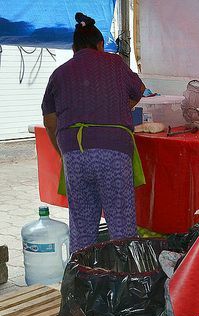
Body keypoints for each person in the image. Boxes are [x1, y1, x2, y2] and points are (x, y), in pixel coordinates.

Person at [42, 12, 145, 253]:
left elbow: (49, 120)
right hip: (113, 153)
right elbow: (139, 90)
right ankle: (125, 284)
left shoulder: (59, 73)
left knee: (82, 227)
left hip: (74, 154)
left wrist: (63, 153)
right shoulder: (115, 63)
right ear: (100, 45)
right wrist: (120, 109)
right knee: (121, 226)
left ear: (73, 48)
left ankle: (81, 284)